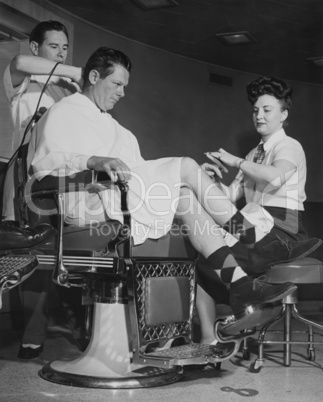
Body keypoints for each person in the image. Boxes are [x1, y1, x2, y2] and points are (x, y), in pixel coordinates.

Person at [27, 48, 320, 356]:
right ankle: (249, 236)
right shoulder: (64, 111)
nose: (123, 93)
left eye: (125, 86)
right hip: (85, 200)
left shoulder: (115, 127)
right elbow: (46, 165)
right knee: (184, 166)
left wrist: (191, 182)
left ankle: (240, 285)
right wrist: (93, 158)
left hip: (118, 197)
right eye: (117, 84)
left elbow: (137, 169)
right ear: (94, 76)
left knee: (185, 197)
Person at [197, 75, 322, 344]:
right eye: (256, 110)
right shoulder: (254, 154)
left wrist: (237, 162)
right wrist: (210, 180)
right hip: (253, 222)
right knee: (204, 258)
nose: (259, 116)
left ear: (283, 114)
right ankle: (210, 339)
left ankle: (249, 306)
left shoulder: (290, 146)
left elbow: (275, 177)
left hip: (282, 228)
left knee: (217, 257)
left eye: (267, 110)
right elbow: (229, 197)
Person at [2, 20, 83, 359]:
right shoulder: (22, 82)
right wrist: (77, 70)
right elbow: (19, 63)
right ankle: (34, 332)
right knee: (35, 253)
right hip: (28, 176)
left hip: (66, 175)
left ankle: (69, 322)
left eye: (65, 48)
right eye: (54, 47)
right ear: (37, 47)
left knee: (70, 252)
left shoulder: (69, 88)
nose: (62, 54)